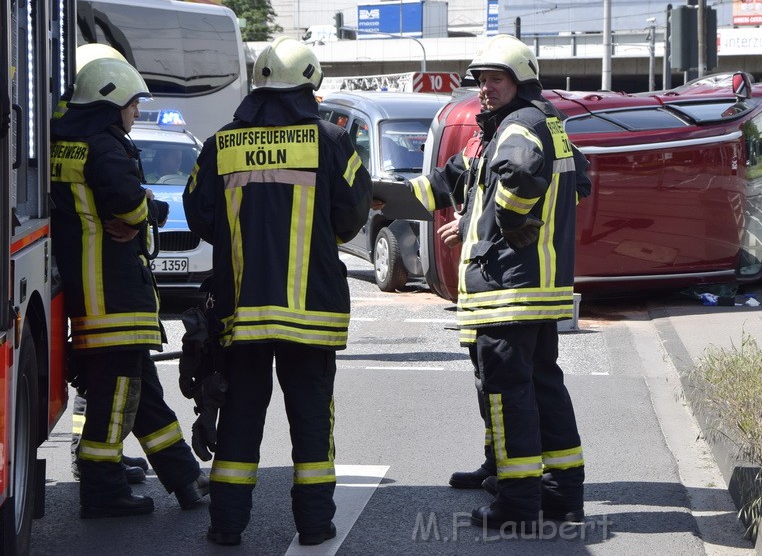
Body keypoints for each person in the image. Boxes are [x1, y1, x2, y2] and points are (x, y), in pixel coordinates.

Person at [183, 37, 372, 547]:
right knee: (311, 419)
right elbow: (352, 218)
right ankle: (314, 524)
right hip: (311, 313)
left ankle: (226, 524)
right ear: (309, 85)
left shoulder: (222, 143)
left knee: (242, 413)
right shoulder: (332, 142)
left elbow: (199, 216)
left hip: (241, 313)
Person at [405, 34, 590, 531]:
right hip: (537, 285)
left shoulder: (518, 128)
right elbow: (575, 182)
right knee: (544, 386)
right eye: (481, 80)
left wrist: (494, 226)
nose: (484, 89)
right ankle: (562, 493)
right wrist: (394, 198)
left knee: (510, 396)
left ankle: (518, 503)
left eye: (495, 79)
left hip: (508, 286)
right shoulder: (544, 123)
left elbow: (523, 180)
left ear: (521, 80)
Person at [50, 53, 209, 519]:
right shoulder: (104, 146)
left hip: (92, 290)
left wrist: (137, 213)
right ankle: (102, 491)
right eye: (132, 104)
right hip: (113, 294)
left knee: (142, 391)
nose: (135, 112)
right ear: (109, 101)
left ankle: (185, 478)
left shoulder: (66, 142)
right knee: (116, 396)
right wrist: (149, 213)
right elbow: (128, 203)